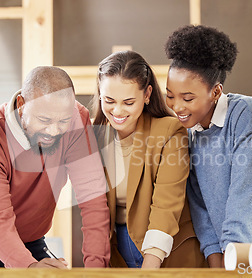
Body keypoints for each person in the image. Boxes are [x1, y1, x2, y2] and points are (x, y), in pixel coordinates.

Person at [0, 66, 110, 268]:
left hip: (31, 237)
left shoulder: (76, 119)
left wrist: (96, 269)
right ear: (22, 105)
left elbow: (93, 199)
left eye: (63, 121)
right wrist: (29, 267)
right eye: (44, 120)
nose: (54, 131)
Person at [164, 25, 252, 267]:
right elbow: (199, 205)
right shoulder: (186, 130)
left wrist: (232, 257)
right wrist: (215, 261)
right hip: (228, 249)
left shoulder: (246, 114)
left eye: (188, 98)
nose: (177, 107)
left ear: (216, 92)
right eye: (170, 95)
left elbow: (245, 194)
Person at [92, 50, 205, 268]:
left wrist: (149, 269)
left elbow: (166, 204)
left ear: (147, 94)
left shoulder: (170, 131)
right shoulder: (94, 138)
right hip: (119, 254)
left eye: (128, 102)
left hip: (167, 252)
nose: (117, 110)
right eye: (109, 100)